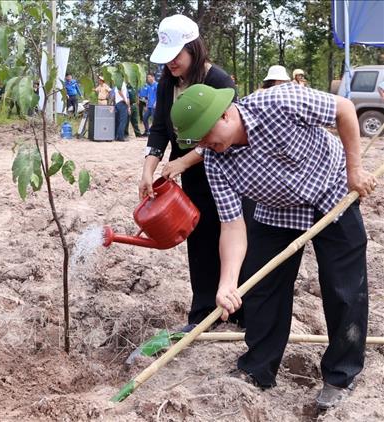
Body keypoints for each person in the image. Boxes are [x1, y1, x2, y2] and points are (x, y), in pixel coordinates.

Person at [170, 82, 375, 409]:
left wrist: (354, 169)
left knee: (344, 288)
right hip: (277, 208)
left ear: (226, 114)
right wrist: (227, 284)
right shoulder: (214, 160)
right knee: (262, 287)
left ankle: (341, 375)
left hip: (332, 190)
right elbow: (233, 225)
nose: (207, 145)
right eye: (199, 142)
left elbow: (344, 110)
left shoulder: (280, 101)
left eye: (208, 136)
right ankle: (258, 368)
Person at [140, 14, 246, 329]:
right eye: (167, 57)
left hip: (224, 169)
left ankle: (239, 311)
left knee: (230, 235)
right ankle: (202, 313)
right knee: (198, 238)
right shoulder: (166, 81)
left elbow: (222, 137)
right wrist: (149, 169)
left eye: (177, 56)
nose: (171, 63)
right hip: (191, 178)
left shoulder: (219, 81)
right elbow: (159, 129)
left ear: (193, 48)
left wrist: (182, 162)